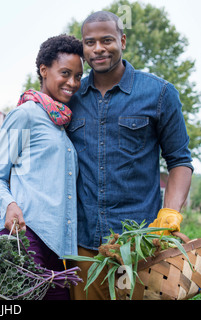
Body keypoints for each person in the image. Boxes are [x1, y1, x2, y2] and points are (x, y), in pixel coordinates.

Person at [66, 11, 193, 300]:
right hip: (83, 246)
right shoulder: (70, 98)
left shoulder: (159, 93)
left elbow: (180, 160)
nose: (98, 48)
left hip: (138, 245)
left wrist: (170, 213)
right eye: (90, 42)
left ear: (122, 40)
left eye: (107, 40)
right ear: (83, 49)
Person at [0, 34, 84, 300]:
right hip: (23, 239)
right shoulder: (25, 114)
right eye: (65, 73)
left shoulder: (62, 122)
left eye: (78, 76)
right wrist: (9, 205)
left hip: (56, 247)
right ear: (43, 70)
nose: (72, 83)